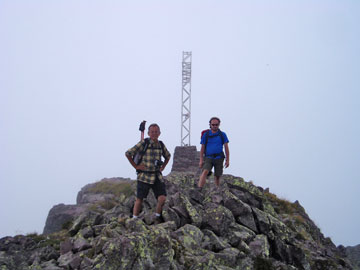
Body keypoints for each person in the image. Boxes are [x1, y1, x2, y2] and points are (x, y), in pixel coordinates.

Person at [125, 123, 171, 223]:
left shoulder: (161, 145)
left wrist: (163, 167)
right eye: (152, 132)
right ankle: (134, 220)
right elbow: (128, 153)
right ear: (149, 133)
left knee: (162, 198)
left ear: (159, 133)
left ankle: (156, 217)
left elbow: (168, 156)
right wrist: (136, 166)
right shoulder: (143, 143)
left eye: (156, 132)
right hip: (144, 176)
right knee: (139, 199)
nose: (154, 134)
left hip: (156, 175)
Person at [198, 117, 230, 189]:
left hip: (219, 158)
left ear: (219, 125)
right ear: (210, 125)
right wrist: (201, 160)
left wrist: (227, 160)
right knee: (205, 171)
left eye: (216, 125)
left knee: (217, 175)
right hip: (208, 157)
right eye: (213, 125)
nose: (215, 126)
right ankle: (199, 188)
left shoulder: (222, 135)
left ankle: (216, 190)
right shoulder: (206, 135)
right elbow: (202, 147)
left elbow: (226, 148)